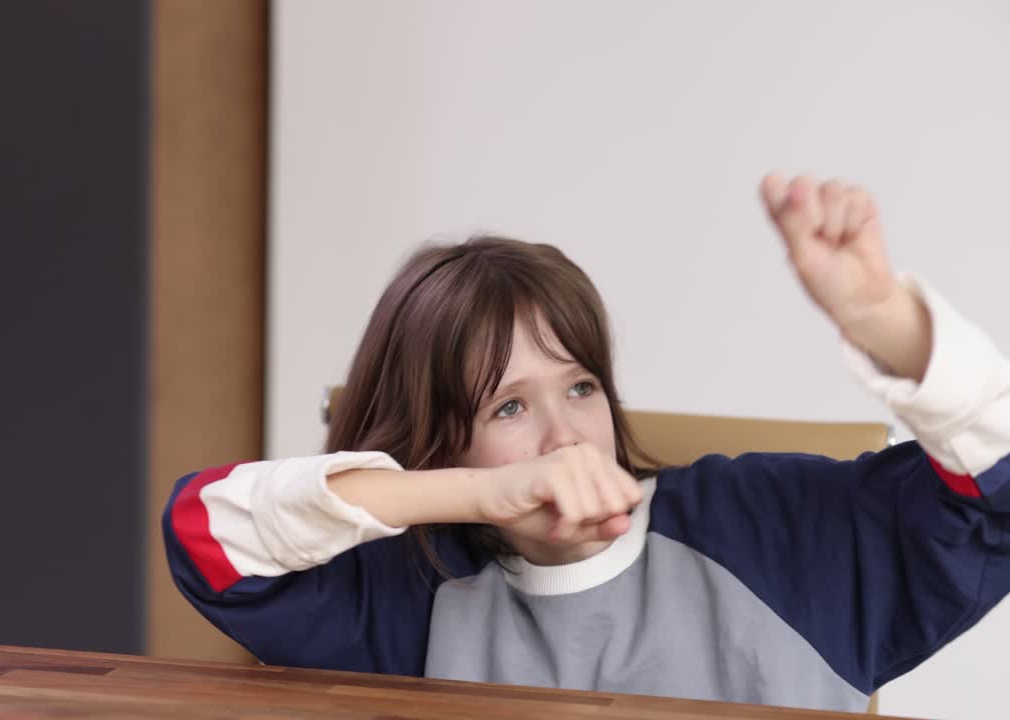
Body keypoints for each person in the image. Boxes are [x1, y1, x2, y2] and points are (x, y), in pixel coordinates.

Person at [162, 174, 1010, 712]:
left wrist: (885, 323)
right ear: (437, 445)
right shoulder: (407, 600)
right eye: (506, 408)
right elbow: (210, 537)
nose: (566, 436)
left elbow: (995, 498)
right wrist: (466, 494)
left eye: (580, 386)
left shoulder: (774, 531)